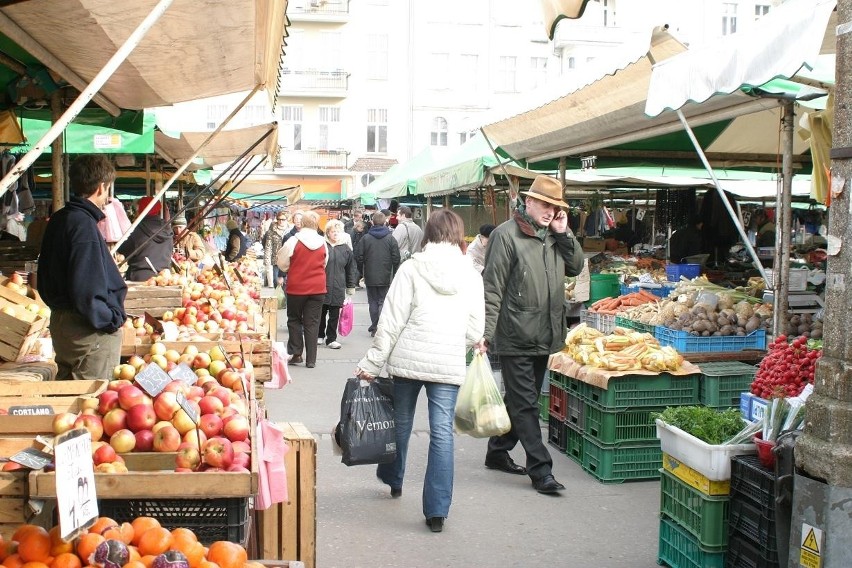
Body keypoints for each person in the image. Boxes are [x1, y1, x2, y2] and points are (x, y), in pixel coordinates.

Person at [355, 209, 485, 533]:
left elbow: (391, 320)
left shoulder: (411, 268)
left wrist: (372, 364)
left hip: (408, 361)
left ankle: (393, 478)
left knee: (400, 424)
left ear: (428, 233)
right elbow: (475, 329)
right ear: (459, 236)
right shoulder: (471, 274)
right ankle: (437, 511)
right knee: (442, 433)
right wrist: (456, 342)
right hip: (447, 364)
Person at [474, 174, 584, 495]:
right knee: (526, 406)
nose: (551, 211)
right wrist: (485, 333)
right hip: (515, 334)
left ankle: (497, 451)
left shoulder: (555, 234)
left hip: (546, 332)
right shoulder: (505, 236)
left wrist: (564, 233)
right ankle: (541, 469)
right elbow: (492, 288)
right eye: (546, 204)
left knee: (523, 400)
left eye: (556, 206)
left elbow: (576, 266)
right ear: (529, 201)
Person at [37, 154, 127, 380]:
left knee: (66, 399)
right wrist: (108, 320)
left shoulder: (60, 219)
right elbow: (86, 288)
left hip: (63, 323)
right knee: (89, 404)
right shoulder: (82, 225)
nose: (107, 197)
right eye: (108, 190)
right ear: (101, 187)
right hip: (86, 330)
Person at [276, 211, 327, 368]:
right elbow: (325, 262)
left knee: (294, 320)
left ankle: (297, 353)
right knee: (312, 322)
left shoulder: (293, 240)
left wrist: (292, 268)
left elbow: (282, 263)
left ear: (302, 223)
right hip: (318, 287)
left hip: (297, 287)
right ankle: (311, 359)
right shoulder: (322, 241)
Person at [354, 211, 401, 337]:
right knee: (383, 301)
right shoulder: (390, 238)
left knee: (373, 301)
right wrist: (394, 271)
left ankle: (375, 326)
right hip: (386, 275)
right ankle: (380, 326)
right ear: (385, 222)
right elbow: (396, 257)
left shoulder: (366, 238)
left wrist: (362, 270)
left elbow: (358, 256)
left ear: (372, 222)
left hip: (370, 274)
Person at [318, 219, 358, 349]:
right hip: (322, 285)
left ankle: (331, 339)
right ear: (328, 233)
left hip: (338, 286)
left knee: (334, 314)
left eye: (338, 231)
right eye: (333, 231)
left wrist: (350, 286)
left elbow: (350, 269)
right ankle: (320, 335)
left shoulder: (346, 249)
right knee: (321, 312)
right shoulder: (322, 246)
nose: (335, 234)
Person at [117, 196, 174, 281]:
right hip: (164, 276)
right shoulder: (167, 228)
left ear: (141, 210)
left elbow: (123, 249)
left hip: (142, 277)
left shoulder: (138, 229)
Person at [263, 212, 290, 288]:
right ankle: (278, 298)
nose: (281, 221)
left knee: (287, 283)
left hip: (288, 260)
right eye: (279, 219)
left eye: (283, 219)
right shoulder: (271, 231)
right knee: (277, 282)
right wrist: (267, 261)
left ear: (286, 219)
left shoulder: (290, 230)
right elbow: (268, 247)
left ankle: (285, 299)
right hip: (276, 261)